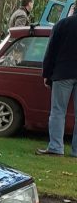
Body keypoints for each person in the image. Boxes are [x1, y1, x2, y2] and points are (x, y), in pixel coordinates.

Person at [36, 8, 77, 156]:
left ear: (74, 9)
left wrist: (46, 73)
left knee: (58, 111)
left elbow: (51, 50)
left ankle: (55, 147)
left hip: (63, 73)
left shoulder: (62, 24)